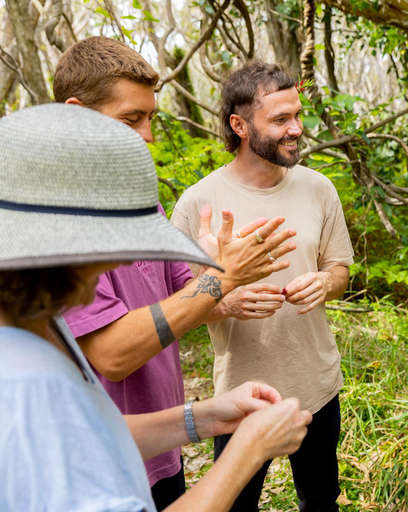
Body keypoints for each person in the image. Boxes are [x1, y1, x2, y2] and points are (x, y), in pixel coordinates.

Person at [0, 103, 312, 511]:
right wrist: (248, 451)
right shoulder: (21, 386)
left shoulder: (27, 326)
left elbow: (84, 435)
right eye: (104, 261)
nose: (122, 267)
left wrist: (206, 418)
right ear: (63, 251)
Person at [53, 37, 297, 509]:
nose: (147, 135)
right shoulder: (57, 215)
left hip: (158, 441)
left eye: (151, 118)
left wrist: (214, 277)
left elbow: (180, 295)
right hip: (95, 460)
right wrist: (223, 279)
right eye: (130, 119)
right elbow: (112, 353)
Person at [171, 61, 353, 511]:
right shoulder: (198, 203)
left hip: (317, 387)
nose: (296, 128)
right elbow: (172, 308)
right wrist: (225, 301)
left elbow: (340, 270)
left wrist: (325, 283)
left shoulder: (319, 188)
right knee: (235, 505)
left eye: (297, 115)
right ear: (240, 125)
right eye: (280, 119)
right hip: (237, 396)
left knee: (321, 501)